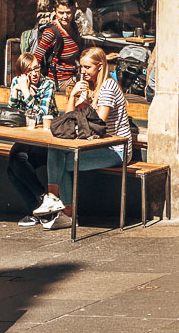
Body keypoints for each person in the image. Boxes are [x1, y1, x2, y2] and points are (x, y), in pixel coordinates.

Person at [34, 47, 131, 230]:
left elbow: (99, 123)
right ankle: (53, 199)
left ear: (100, 67)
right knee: (55, 148)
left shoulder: (108, 87)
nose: (83, 72)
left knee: (62, 163)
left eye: (87, 68)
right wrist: (73, 95)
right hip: (95, 146)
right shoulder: (88, 87)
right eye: (82, 67)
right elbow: (68, 120)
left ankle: (67, 212)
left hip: (116, 149)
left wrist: (82, 117)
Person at [6, 53, 58, 227]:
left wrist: (27, 93)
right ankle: (40, 208)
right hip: (27, 139)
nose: (35, 73)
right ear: (22, 73)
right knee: (13, 165)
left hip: (49, 141)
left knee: (16, 159)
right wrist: (15, 92)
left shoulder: (47, 85)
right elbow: (11, 115)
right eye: (30, 70)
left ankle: (40, 204)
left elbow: (40, 117)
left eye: (37, 68)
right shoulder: (17, 82)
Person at [33, 0, 83, 94]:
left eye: (68, 12)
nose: (65, 16)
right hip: (59, 82)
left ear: (73, 10)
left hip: (73, 76)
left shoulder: (73, 28)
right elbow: (36, 58)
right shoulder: (51, 32)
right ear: (55, 11)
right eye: (61, 12)